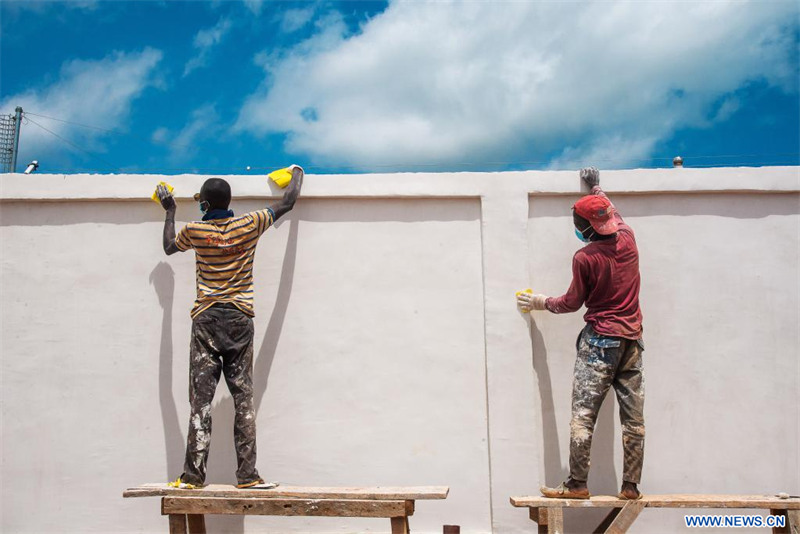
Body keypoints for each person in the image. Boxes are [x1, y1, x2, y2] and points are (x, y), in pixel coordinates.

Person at [156, 165, 304, 488]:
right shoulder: (250, 224)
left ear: (206, 205)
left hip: (206, 320)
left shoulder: (195, 231)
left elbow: (169, 246)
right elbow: (289, 202)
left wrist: (170, 211)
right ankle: (248, 475)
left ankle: (193, 477)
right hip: (240, 319)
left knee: (201, 402)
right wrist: (297, 172)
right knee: (244, 400)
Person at [517, 167, 645, 500]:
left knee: (583, 416)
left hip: (600, 343)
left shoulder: (585, 257)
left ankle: (576, 484)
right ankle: (630, 487)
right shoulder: (628, 237)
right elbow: (609, 209)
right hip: (632, 341)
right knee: (633, 419)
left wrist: (540, 302)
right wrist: (595, 187)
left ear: (585, 228)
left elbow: (572, 303)